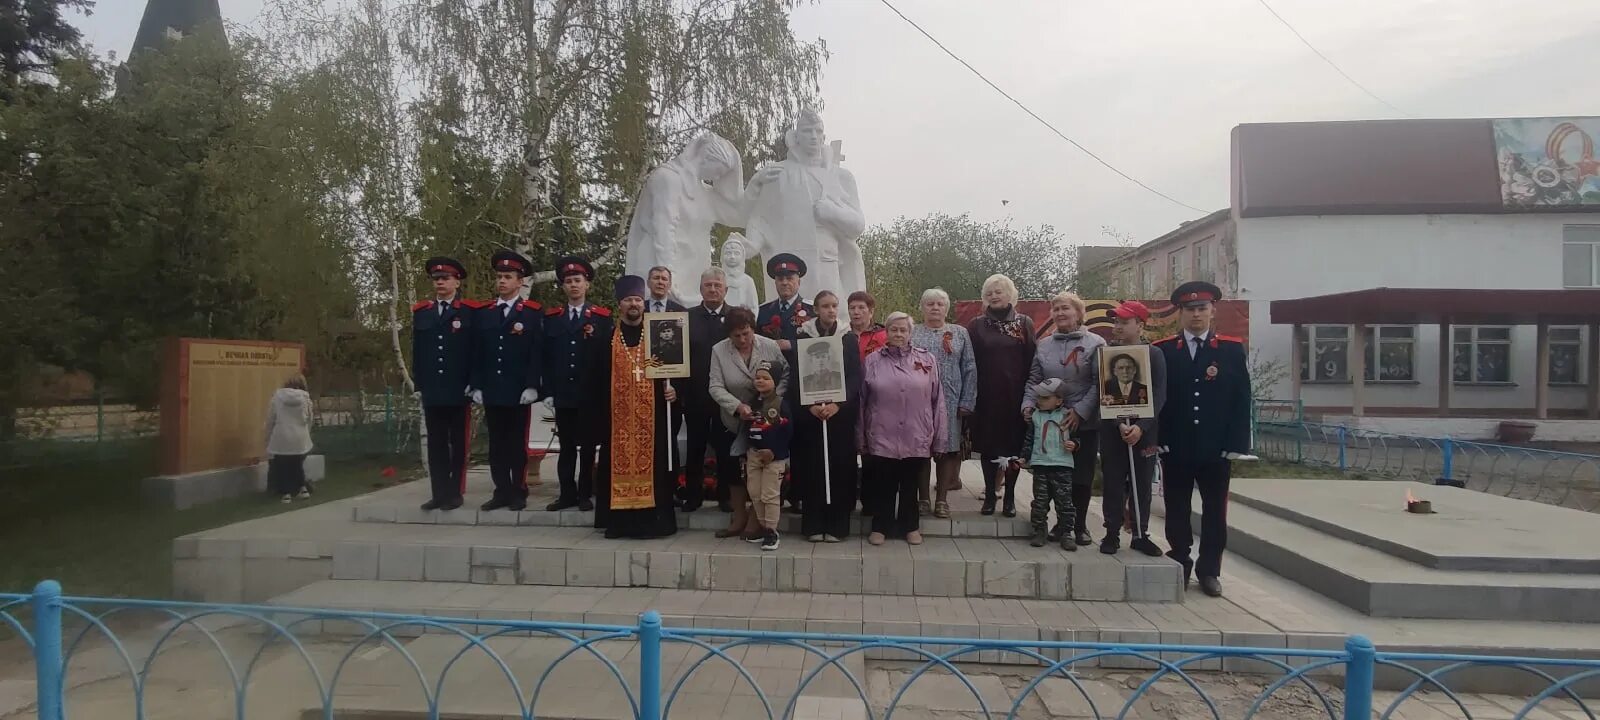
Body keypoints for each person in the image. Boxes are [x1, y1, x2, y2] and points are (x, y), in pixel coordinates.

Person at [1154, 281, 1252, 598]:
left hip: (1215, 447)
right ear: (1180, 314)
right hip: (1177, 445)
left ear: (1212, 311)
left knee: (1214, 512)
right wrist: (1160, 439)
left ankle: (1209, 570)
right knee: (1177, 508)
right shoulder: (1166, 350)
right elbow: (1159, 399)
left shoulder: (1230, 349)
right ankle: (1180, 559)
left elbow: (1241, 399)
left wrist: (1236, 445)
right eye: (1189, 310)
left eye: (1201, 309)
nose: (1196, 315)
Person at [741, 108, 866, 300]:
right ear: (796, 136)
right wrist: (751, 244)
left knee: (828, 318)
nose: (813, 137)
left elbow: (857, 226)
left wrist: (832, 212)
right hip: (790, 261)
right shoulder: (779, 173)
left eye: (818, 131)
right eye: (807, 131)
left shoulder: (841, 177)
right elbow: (759, 218)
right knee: (790, 317)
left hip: (827, 261)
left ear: (823, 136)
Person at [593, 275, 681, 539]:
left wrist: (674, 390)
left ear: (643, 303)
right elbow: (596, 378)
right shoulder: (607, 338)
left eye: (636, 300)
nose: (633, 304)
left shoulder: (658, 334)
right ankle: (619, 523)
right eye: (627, 300)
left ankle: (655, 523)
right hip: (618, 419)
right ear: (619, 304)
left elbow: (675, 370)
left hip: (651, 417)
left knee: (655, 468)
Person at [623, 132, 743, 305]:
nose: (718, 178)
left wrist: (756, 183)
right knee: (658, 321)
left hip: (691, 271)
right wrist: (667, 277)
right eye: (719, 171)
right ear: (706, 159)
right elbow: (663, 229)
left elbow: (737, 214)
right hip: (660, 264)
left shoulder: (703, 191)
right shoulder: (668, 178)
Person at [1023, 291, 1106, 544]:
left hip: (1082, 420)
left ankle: (1078, 525)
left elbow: (1098, 382)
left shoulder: (1096, 343)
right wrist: (1027, 404)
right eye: (1056, 309)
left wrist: (1080, 411)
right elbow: (1034, 379)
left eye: (1065, 308)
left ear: (1079, 313)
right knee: (1050, 477)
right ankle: (1050, 525)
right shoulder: (1044, 344)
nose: (1060, 313)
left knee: (1080, 477)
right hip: (1049, 420)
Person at [1085, 301, 1166, 557]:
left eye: (1124, 322)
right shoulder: (1106, 354)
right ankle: (1111, 532)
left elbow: (1159, 393)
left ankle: (1141, 533)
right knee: (1113, 480)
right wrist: (1118, 423)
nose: (1118, 327)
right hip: (1112, 429)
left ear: (1139, 325)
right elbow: (1103, 394)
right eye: (1116, 322)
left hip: (1145, 431)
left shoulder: (1153, 355)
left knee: (1142, 481)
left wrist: (1141, 427)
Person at [858, 312, 945, 546]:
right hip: (882, 431)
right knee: (883, 483)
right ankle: (881, 526)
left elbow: (938, 400)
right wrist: (860, 436)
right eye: (894, 329)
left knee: (910, 484)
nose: (898, 334)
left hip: (916, 432)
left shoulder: (927, 360)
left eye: (903, 330)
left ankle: (910, 526)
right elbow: (862, 400)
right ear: (886, 332)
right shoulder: (873, 360)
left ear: (910, 333)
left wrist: (939, 437)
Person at [471, 250, 544, 512]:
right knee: (496, 444)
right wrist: (477, 384)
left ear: (520, 282)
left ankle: (518, 490)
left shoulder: (532, 314)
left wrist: (532, 385)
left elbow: (536, 353)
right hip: (493, 389)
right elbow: (478, 352)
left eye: (508, 277)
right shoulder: (485, 313)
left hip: (518, 390)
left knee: (516, 444)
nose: (502, 281)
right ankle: (500, 490)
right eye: (499, 276)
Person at [708, 307, 789, 539]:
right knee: (732, 470)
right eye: (736, 336)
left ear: (753, 329)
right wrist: (736, 406)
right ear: (729, 336)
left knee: (761, 470)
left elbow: (785, 373)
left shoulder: (769, 346)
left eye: (746, 333)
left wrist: (773, 399)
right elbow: (714, 385)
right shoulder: (719, 350)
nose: (742, 339)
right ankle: (738, 517)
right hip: (733, 419)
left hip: (765, 418)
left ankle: (756, 519)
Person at [541, 256, 612, 512]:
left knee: (588, 447)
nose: (573, 285)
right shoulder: (552, 319)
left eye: (577, 281)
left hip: (590, 396)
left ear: (587, 285)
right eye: (569, 281)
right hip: (564, 394)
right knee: (567, 447)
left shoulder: (602, 318)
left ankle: (584, 494)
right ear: (563, 286)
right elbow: (545, 358)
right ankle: (566, 494)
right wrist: (547, 391)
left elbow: (606, 359)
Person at [412, 256, 482, 511]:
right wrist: (419, 384)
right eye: (437, 279)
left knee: (457, 443)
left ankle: (454, 492)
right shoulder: (423, 312)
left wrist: (474, 383)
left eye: (445, 279)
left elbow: (475, 351)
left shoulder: (469, 312)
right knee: (436, 444)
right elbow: (418, 350)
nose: (440, 283)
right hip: (433, 389)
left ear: (457, 282)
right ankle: (438, 493)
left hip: (457, 388)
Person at [794, 290, 862, 542]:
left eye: (834, 306)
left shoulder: (847, 338)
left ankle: (837, 525)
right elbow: (797, 375)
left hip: (839, 416)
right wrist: (809, 406)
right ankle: (813, 525)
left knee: (840, 466)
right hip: (812, 415)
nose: (831, 310)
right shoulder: (803, 335)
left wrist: (838, 404)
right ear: (816, 310)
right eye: (825, 306)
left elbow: (855, 376)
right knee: (813, 467)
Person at [966, 274, 1036, 517]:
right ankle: (989, 495)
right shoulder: (976, 325)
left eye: (999, 291)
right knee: (989, 448)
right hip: (986, 398)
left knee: (1013, 449)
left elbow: (1032, 361)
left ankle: (1009, 498)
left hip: (1015, 398)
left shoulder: (1024, 322)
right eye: (989, 293)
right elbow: (970, 362)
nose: (994, 296)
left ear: (1010, 295)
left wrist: (1030, 397)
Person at [910, 288, 976, 519]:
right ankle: (923, 499)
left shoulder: (959, 333)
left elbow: (969, 367)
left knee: (948, 450)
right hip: (919, 402)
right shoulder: (913, 332)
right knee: (922, 449)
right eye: (930, 304)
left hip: (950, 400)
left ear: (946, 309)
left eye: (939, 304)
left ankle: (942, 499)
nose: (935, 308)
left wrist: (967, 400)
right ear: (922, 307)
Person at [682, 267, 737, 513]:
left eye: (718, 285)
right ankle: (692, 496)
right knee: (696, 446)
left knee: (726, 448)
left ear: (726, 289)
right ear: (700, 289)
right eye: (708, 285)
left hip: (727, 395)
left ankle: (726, 496)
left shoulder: (737, 317)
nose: (713, 289)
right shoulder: (686, 317)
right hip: (696, 395)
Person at [1013, 378, 1078, 550]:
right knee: (1040, 501)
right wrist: (1023, 457)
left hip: (1062, 465)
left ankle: (1066, 533)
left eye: (1045, 398)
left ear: (1059, 400)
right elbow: (1029, 440)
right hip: (1041, 465)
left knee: (1064, 502)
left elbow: (1078, 437)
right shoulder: (1035, 417)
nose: (1039, 401)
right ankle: (1039, 530)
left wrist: (1075, 445)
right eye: (1038, 397)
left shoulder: (1067, 416)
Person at [743, 361, 793, 550]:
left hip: (773, 457)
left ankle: (772, 531)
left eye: (766, 378)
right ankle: (763, 528)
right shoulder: (752, 402)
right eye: (758, 377)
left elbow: (787, 431)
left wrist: (774, 451)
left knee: (770, 494)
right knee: (755, 493)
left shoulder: (781, 404)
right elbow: (748, 427)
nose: (760, 381)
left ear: (776, 381)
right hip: (753, 455)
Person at [265, 373, 314, 503]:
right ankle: (302, 489)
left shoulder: (277, 397)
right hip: (300, 436)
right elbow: (310, 419)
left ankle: (286, 494)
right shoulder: (306, 398)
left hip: (281, 435)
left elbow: (271, 418)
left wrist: (268, 436)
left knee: (282, 465)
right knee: (297, 463)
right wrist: (306, 434)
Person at [756, 253, 813, 353]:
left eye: (790, 278)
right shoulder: (762, 311)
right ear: (775, 283)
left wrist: (792, 344)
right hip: (770, 367)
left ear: (798, 282)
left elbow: (819, 342)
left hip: (800, 366)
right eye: (780, 279)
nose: (785, 283)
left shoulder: (812, 310)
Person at [720, 235, 760, 311]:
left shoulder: (748, 281)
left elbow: (753, 306)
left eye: (736, 253)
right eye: (728, 253)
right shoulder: (719, 280)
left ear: (742, 256)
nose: (732, 257)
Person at [847, 291, 887, 361]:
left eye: (861, 307)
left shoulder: (884, 336)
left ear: (871, 312)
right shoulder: (841, 334)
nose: (856, 312)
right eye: (852, 308)